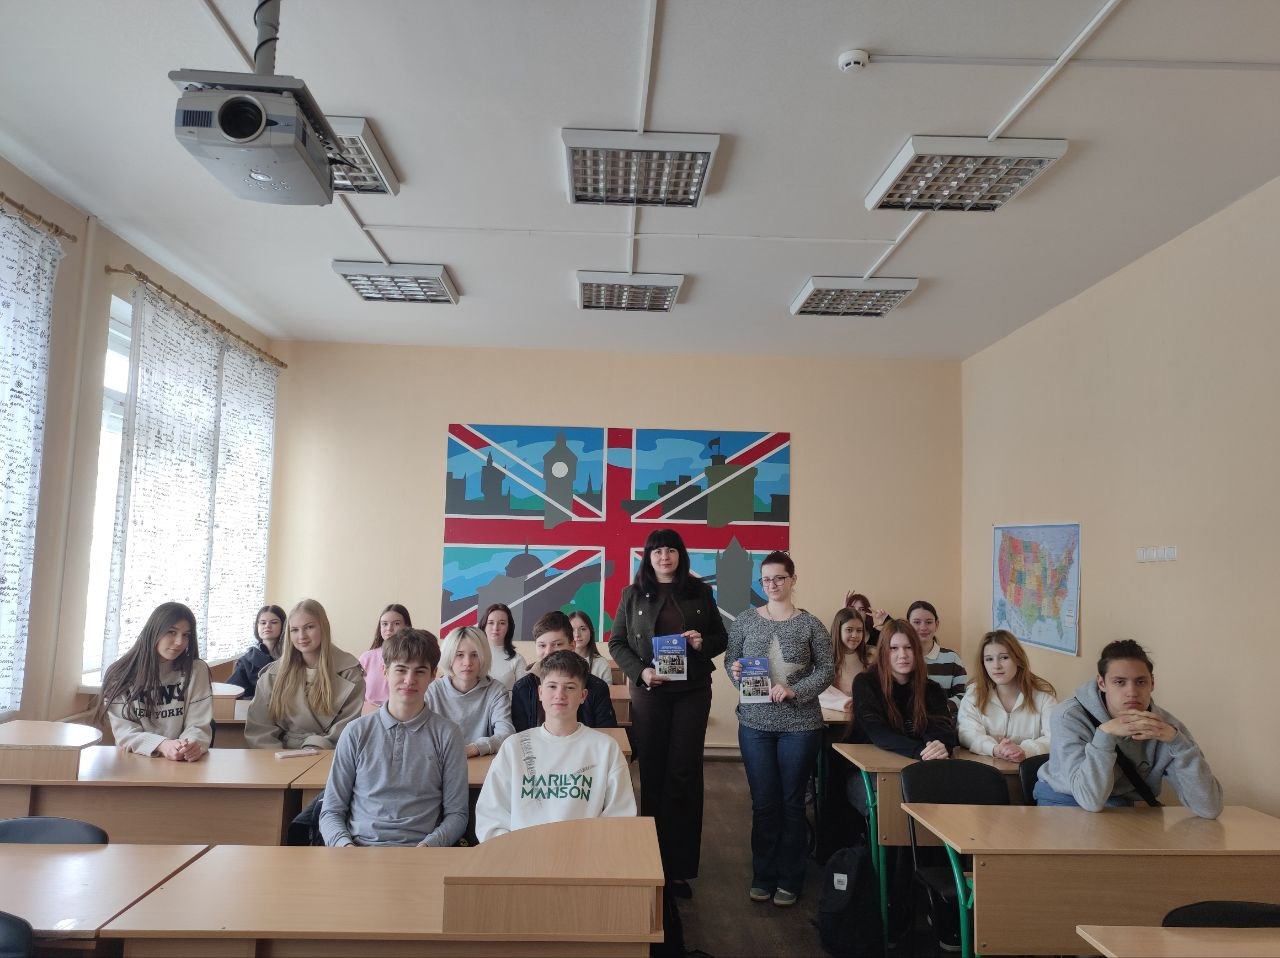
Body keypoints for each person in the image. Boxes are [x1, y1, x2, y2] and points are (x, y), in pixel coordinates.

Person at [610, 528, 728, 900]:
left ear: (680, 555)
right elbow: (617, 642)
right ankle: (650, 860)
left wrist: (701, 643)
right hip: (650, 693)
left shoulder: (700, 592)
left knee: (685, 773)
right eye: (658, 551)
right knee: (653, 773)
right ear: (648, 557)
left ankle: (679, 868)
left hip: (692, 692)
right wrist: (641, 672)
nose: (665, 556)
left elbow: (721, 638)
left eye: (671, 550)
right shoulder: (631, 594)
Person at [725, 550, 833, 907]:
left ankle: (790, 878)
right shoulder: (745, 620)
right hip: (754, 724)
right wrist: (737, 674)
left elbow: (826, 669)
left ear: (793, 579)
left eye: (779, 578)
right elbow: (731, 660)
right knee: (763, 803)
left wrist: (795, 690)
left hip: (799, 725)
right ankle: (763, 875)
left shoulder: (811, 624)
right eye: (766, 579)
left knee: (791, 802)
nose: (772, 584)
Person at [1035, 639, 1222, 817]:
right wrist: (1105, 735)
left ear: (1152, 683)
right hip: (1065, 801)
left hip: (1126, 808)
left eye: (1141, 682)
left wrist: (1179, 744)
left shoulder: (1165, 727)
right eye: (1119, 682)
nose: (1132, 692)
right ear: (1102, 683)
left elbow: (1209, 808)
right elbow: (1090, 800)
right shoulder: (1069, 716)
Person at [319, 627, 468, 847]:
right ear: (385, 671)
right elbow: (331, 812)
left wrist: (430, 846)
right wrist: (345, 847)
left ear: (433, 675)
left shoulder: (448, 734)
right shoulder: (355, 732)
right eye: (401, 669)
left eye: (419, 671)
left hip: (422, 851)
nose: (409, 680)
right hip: (358, 851)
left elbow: (457, 814)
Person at [474, 650, 635, 842]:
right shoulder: (513, 747)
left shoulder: (606, 748)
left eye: (570, 687)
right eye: (552, 686)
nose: (560, 695)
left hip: (584, 853)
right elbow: (491, 816)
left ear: (583, 695)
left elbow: (620, 816)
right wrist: (514, 852)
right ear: (540, 693)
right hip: (521, 854)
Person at [98, 601, 213, 760]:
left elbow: (198, 724)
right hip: (135, 761)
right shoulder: (119, 674)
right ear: (154, 631)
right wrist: (162, 745)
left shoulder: (196, 670)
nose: (179, 642)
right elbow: (125, 733)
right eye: (172, 632)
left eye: (186, 635)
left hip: (182, 763)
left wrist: (190, 744)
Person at [245, 598, 365, 750]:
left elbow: (347, 727)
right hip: (279, 755)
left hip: (329, 753)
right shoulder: (272, 675)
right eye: (294, 630)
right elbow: (260, 728)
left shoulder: (350, 673)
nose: (302, 636)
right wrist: (277, 756)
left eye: (309, 627)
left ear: (323, 627)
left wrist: (314, 750)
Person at [849, 620, 957, 761]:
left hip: (920, 763)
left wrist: (939, 747)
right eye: (894, 648)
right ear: (883, 652)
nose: (903, 655)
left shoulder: (932, 689)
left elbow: (943, 729)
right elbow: (878, 732)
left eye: (908, 647)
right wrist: (922, 752)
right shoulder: (865, 683)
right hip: (870, 764)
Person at [957, 630, 1057, 760]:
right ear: (983, 664)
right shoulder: (973, 694)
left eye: (1004, 657)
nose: (996, 666)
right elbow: (966, 733)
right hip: (986, 768)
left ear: (1018, 659)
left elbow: (1055, 738)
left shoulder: (1044, 698)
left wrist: (1025, 750)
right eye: (989, 659)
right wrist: (994, 749)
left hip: (1029, 769)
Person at [512, 611, 616, 731]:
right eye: (542, 645)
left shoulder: (597, 687)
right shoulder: (523, 688)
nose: (548, 652)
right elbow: (521, 736)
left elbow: (607, 734)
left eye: (557, 644)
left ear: (572, 646)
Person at [425, 625, 514, 757]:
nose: (467, 662)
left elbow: (506, 734)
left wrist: (473, 749)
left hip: (481, 762)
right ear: (449, 657)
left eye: (474, 655)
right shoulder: (431, 690)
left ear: (483, 657)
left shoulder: (496, 691)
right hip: (439, 762)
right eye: (459, 655)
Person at [905, 600, 967, 710]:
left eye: (929, 622)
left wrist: (940, 709)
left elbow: (964, 695)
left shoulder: (952, 658)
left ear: (936, 624)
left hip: (943, 718)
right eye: (917, 622)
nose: (923, 627)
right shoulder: (902, 658)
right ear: (908, 625)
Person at [357, 603, 411, 712]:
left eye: (396, 623)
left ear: (407, 626)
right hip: (368, 715)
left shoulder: (414, 658)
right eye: (385, 624)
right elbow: (355, 694)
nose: (389, 628)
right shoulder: (366, 658)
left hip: (404, 715)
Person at [228, 604, 287, 699]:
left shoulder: (294, 655)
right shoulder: (246, 661)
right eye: (263, 623)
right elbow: (232, 694)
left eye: (274, 622)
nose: (267, 626)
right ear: (257, 626)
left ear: (283, 626)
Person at [819, 607, 872, 713]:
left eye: (859, 630)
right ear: (838, 630)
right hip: (835, 717)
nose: (855, 635)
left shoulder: (871, 656)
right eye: (849, 630)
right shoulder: (824, 658)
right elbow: (819, 693)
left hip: (865, 715)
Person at [480, 602, 527, 691]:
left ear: (508, 627)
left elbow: (524, 695)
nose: (495, 628)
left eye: (502, 623)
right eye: (491, 623)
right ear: (484, 625)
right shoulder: (473, 655)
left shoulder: (517, 659)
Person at [570, 610, 613, 683]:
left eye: (583, 629)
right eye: (572, 630)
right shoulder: (561, 662)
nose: (577, 634)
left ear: (591, 633)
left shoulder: (601, 664)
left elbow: (607, 690)